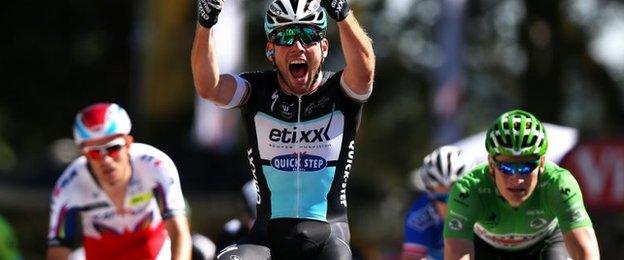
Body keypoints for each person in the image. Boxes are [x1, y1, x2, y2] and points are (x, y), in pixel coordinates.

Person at [192, 0, 375, 258]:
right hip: (267, 235)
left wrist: (343, 14)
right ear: (271, 49)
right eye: (286, 37)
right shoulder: (255, 90)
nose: (297, 46)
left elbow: (365, 70)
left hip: (328, 236)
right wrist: (205, 25)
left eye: (308, 36)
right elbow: (208, 87)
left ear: (324, 48)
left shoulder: (341, 91)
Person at [443, 109, 600, 259]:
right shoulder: (469, 190)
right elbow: (457, 253)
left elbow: (587, 252)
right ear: (491, 165)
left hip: (545, 243)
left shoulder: (559, 184)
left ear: (542, 164)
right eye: (506, 168)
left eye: (527, 166)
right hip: (486, 248)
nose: (517, 179)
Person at [47, 103, 192, 260]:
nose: (106, 160)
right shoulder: (68, 185)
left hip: (153, 249)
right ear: (84, 154)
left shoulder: (156, 165)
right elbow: (57, 252)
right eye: (95, 153)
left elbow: (180, 234)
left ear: (128, 143)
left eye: (113, 148)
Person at [401, 146, 472, 260]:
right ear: (431, 196)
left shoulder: (487, 204)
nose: (450, 205)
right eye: (442, 198)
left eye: (459, 197)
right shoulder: (420, 217)